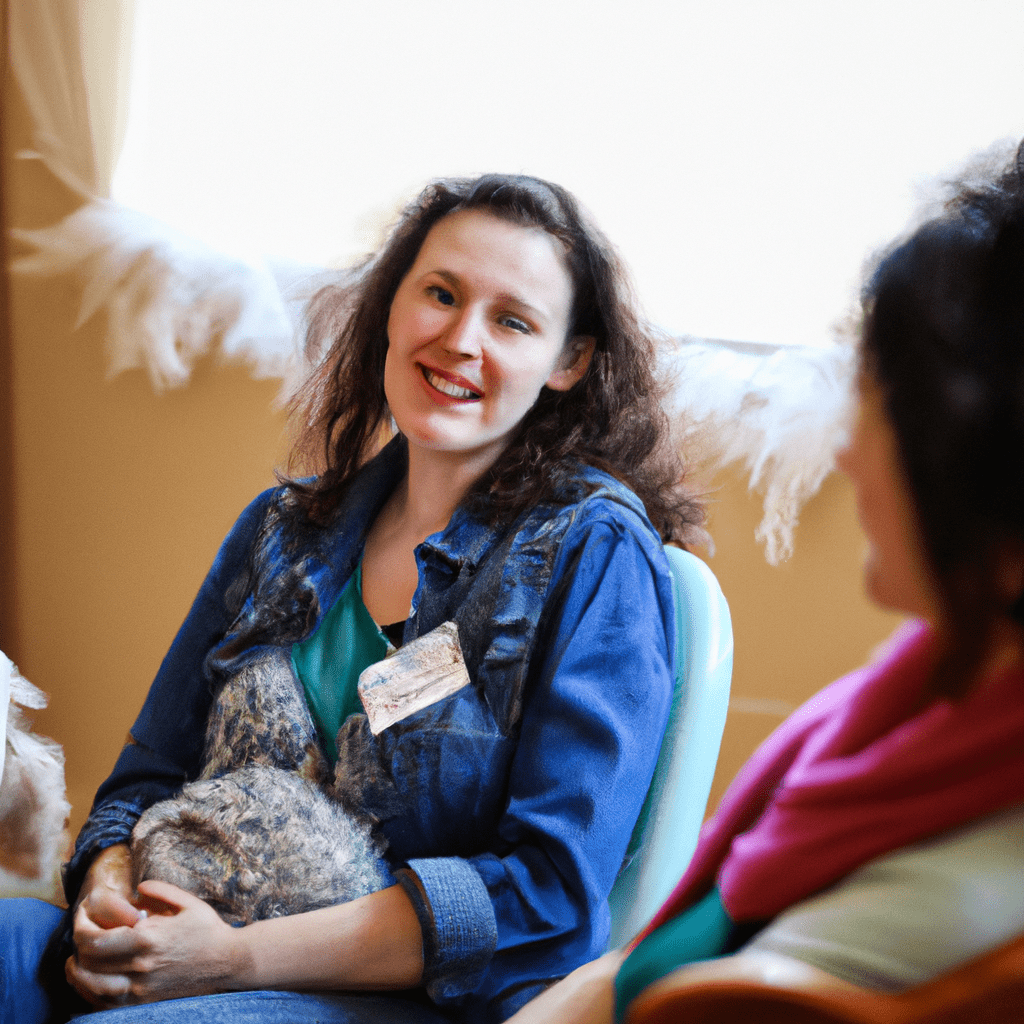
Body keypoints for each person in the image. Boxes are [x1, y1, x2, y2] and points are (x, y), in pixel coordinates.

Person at [0, 174, 705, 1024]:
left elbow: (546, 897)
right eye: (439, 294)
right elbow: (141, 783)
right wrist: (110, 899)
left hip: (406, 999)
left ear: (569, 361)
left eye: (512, 320)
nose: (460, 339)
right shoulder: (281, 528)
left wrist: (229, 961)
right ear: (392, 307)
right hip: (179, 926)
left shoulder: (598, 553)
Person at [507, 140, 1024, 1024]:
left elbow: (545, 895)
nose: (849, 451)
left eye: (880, 404)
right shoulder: (903, 706)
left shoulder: (924, 925)